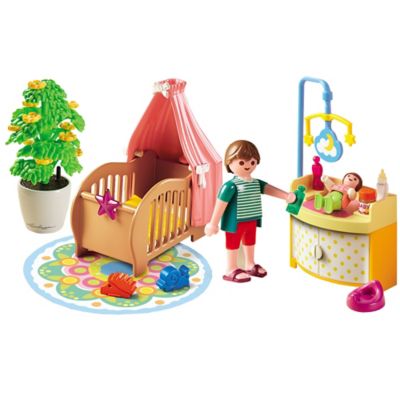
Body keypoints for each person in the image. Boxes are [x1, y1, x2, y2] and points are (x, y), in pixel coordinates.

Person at [204, 140, 296, 283]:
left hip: (251, 219)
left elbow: (269, 189)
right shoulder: (230, 186)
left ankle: (250, 264)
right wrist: (213, 223)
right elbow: (220, 204)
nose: (248, 165)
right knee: (233, 244)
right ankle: (231, 268)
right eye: (242, 162)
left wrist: (286, 196)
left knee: (250, 242)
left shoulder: (256, 183)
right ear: (229, 162)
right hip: (235, 223)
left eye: (252, 162)